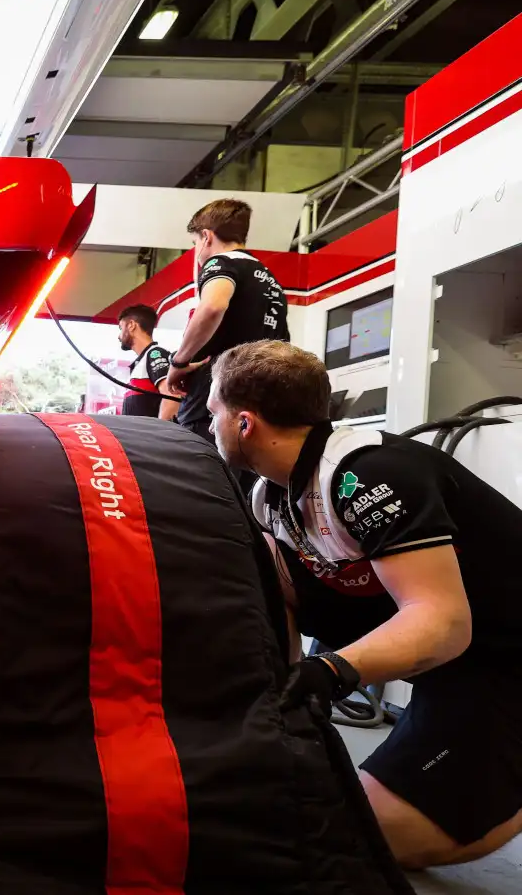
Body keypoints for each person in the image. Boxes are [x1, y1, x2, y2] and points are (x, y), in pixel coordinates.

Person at [207, 340, 522, 869]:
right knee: (262, 559)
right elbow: (283, 598)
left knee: (367, 835)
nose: (209, 424)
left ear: (244, 424)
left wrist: (331, 670)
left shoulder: (368, 475)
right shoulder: (272, 496)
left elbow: (442, 621)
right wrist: (284, 694)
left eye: (213, 412)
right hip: (452, 669)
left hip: (504, 660)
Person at [162, 199, 289, 441]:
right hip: (257, 406)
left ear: (207, 237)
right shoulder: (268, 279)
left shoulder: (220, 263)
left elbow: (213, 305)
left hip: (214, 406)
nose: (196, 249)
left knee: (204, 475)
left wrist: (178, 362)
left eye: (195, 242)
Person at [115, 304, 177, 420]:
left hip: (151, 437)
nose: (118, 336)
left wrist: (160, 434)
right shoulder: (141, 362)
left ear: (131, 325)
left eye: (120, 328)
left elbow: (172, 396)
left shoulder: (155, 354)